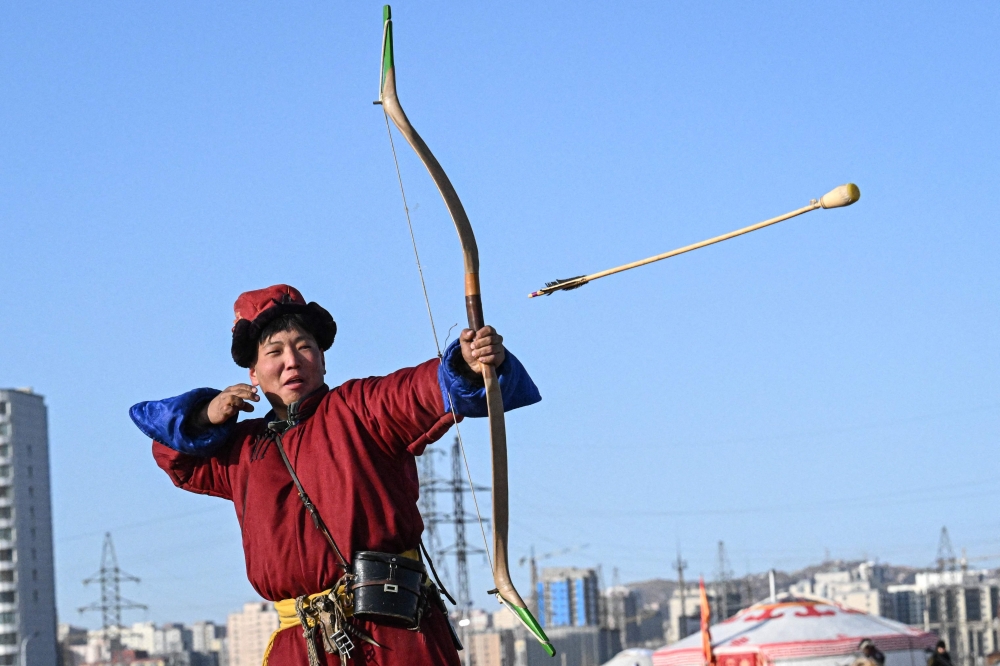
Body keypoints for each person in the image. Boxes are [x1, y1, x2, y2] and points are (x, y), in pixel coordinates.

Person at [129, 284, 541, 666]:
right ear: (253, 373)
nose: (292, 361)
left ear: (322, 359)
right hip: (301, 646)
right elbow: (173, 455)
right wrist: (205, 414)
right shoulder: (241, 449)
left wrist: (467, 365)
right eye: (274, 352)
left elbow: (420, 390)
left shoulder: (360, 408)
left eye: (304, 346)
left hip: (395, 634)